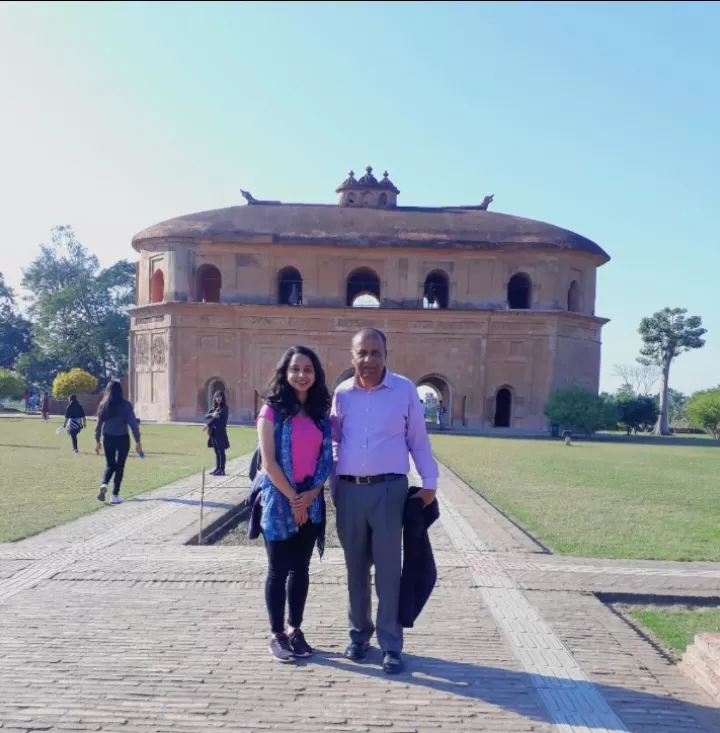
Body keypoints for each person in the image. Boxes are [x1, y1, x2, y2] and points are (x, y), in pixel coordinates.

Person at [331, 328, 439, 675]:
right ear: (352, 357)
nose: (368, 359)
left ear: (385, 355)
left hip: (390, 490)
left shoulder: (403, 390)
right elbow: (334, 442)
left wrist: (430, 482)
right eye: (362, 353)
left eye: (375, 352)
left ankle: (391, 644)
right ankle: (359, 636)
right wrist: (334, 482)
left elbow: (418, 441)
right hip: (349, 490)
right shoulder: (342, 394)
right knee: (355, 570)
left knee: (390, 572)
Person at [257, 346, 333, 664]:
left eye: (308, 370)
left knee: (301, 570)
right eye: (295, 369)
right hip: (278, 500)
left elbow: (326, 457)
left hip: (311, 501)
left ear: (315, 375)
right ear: (284, 373)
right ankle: (277, 634)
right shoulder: (271, 412)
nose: (301, 375)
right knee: (278, 569)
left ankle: (295, 629)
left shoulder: (319, 414)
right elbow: (268, 462)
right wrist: (293, 498)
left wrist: (310, 495)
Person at [94, 380, 142, 505]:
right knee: (120, 466)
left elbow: (98, 424)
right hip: (123, 438)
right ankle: (115, 495)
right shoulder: (126, 405)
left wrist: (97, 440)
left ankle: (104, 484)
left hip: (108, 437)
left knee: (110, 465)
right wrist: (138, 441)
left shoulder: (103, 405)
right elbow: (133, 424)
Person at [205, 390, 230, 476]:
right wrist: (212, 414)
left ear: (222, 398)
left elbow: (216, 418)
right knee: (216, 451)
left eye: (219, 397)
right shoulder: (214, 409)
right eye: (216, 397)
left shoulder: (224, 408)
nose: (218, 398)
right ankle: (217, 468)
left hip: (221, 432)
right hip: (214, 433)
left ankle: (222, 470)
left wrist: (207, 425)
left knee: (221, 451)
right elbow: (206, 416)